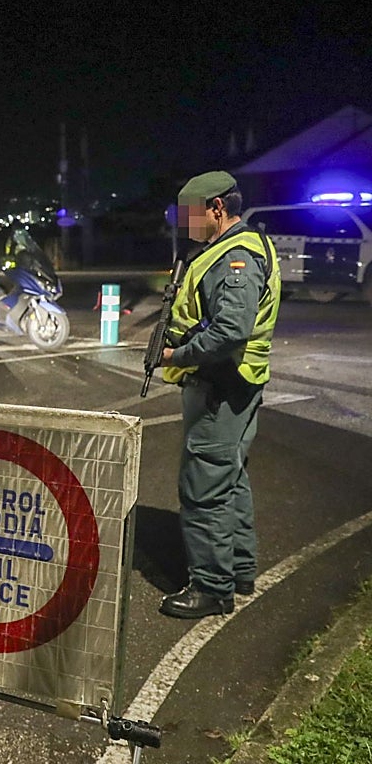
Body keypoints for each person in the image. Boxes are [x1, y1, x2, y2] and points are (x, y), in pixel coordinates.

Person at [158, 170, 282, 619]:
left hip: (220, 385)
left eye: (190, 215)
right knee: (230, 479)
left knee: (204, 486)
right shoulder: (239, 246)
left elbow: (231, 329)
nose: (185, 224)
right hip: (237, 383)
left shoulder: (235, 257)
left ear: (216, 208)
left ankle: (211, 588)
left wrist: (176, 354)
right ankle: (239, 572)